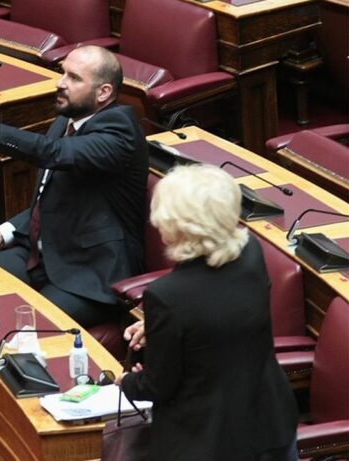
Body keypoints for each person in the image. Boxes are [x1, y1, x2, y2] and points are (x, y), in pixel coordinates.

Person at [0, 46, 148, 328]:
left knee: (17, 327)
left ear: (103, 92)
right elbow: (53, 194)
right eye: (63, 73)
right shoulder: (68, 119)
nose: (61, 83)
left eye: (74, 78)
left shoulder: (120, 131)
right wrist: (8, 229)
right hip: (43, 252)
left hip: (90, 271)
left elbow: (52, 152)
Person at [115, 165, 299, 461]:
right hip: (270, 425)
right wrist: (162, 327)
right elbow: (224, 317)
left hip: (209, 441)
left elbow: (158, 385)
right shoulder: (252, 253)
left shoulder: (166, 296)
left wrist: (127, 382)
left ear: (175, 226)